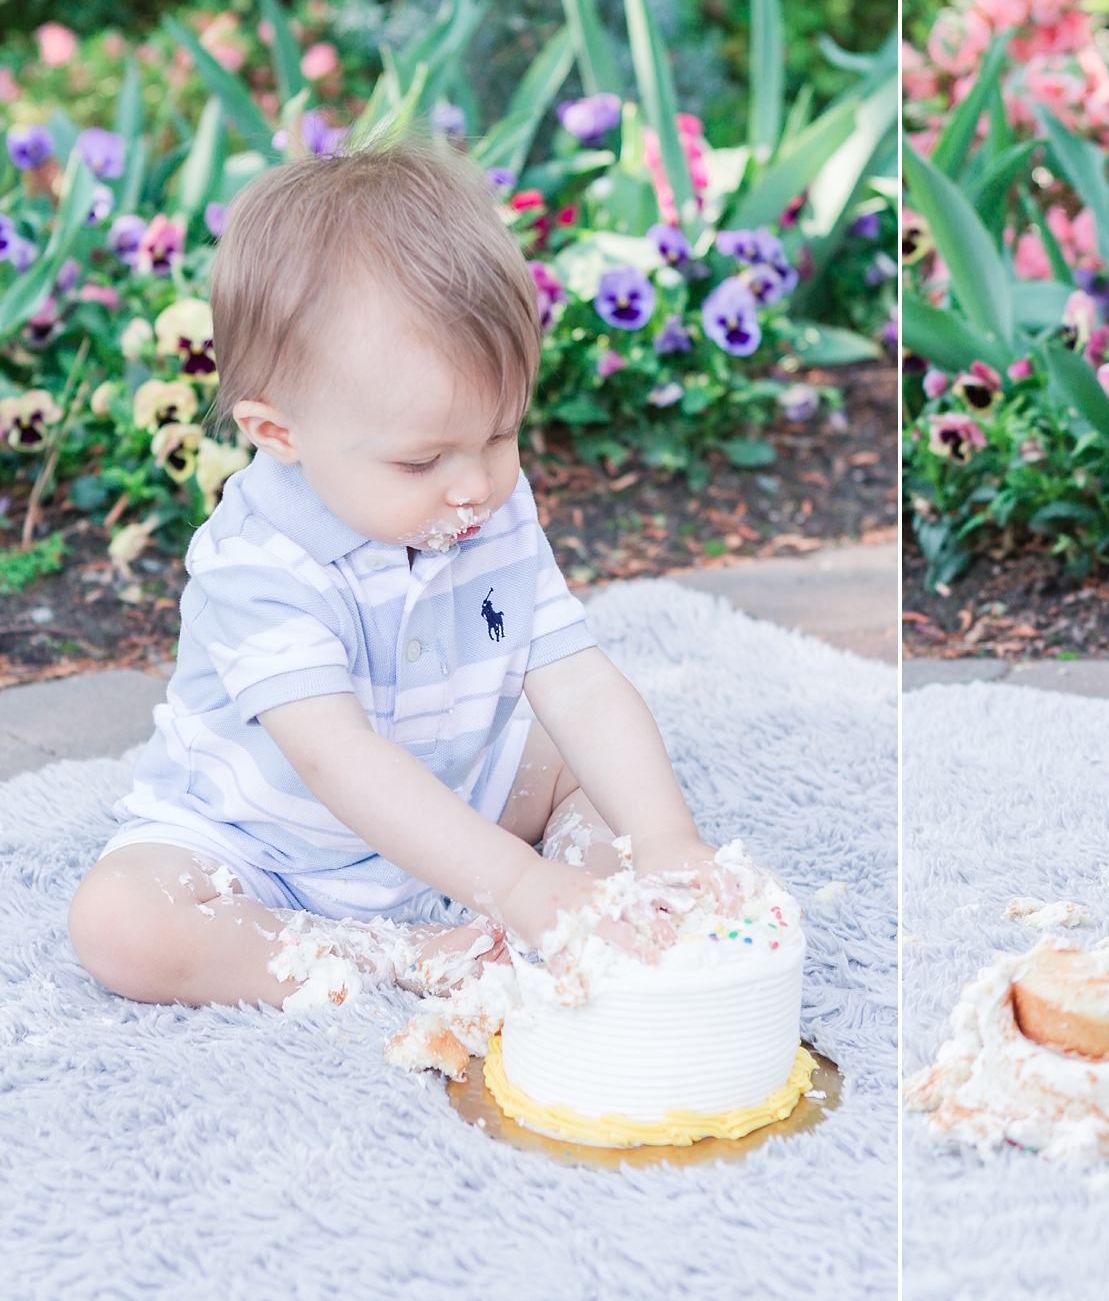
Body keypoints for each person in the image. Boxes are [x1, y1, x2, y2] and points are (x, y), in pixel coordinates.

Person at [68, 135, 730, 1008]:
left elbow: (575, 678)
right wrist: (517, 883)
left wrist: (666, 836)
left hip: (455, 794)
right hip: (269, 850)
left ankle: (585, 905)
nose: (475, 484)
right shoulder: (257, 563)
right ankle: (388, 950)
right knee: (122, 923)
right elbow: (339, 761)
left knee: (582, 767)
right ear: (280, 434)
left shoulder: (488, 502)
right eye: (421, 461)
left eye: (500, 434)